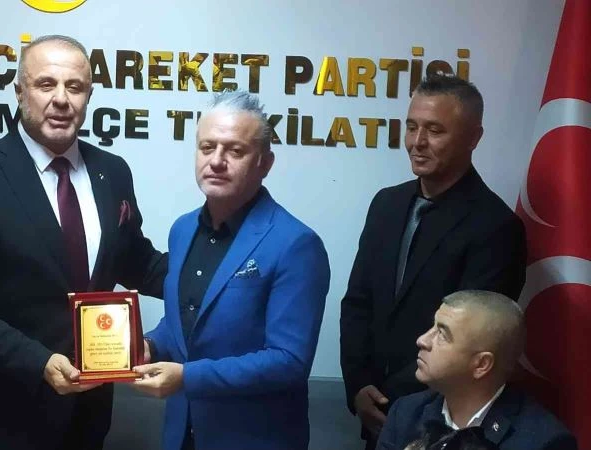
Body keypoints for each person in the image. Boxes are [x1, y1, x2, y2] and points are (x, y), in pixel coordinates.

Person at [0, 35, 167, 450]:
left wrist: (211, 276)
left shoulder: (112, 172)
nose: (61, 99)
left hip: (86, 418)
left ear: (89, 96)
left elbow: (135, 262)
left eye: (74, 87)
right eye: (45, 84)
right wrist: (38, 362)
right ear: (20, 92)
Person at [131, 90, 330, 450]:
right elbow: (185, 323)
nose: (216, 161)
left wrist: (188, 377)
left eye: (235, 151)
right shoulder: (182, 230)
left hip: (252, 439)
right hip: (181, 435)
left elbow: (288, 361)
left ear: (264, 163)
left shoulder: (296, 244)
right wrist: (150, 345)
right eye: (207, 147)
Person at [340, 73, 527, 449]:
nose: (417, 142)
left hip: (442, 422)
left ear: (473, 138)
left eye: (435, 130)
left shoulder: (496, 226)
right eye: (412, 127)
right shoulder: (386, 204)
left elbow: (471, 338)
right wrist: (359, 386)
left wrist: (395, 403)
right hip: (373, 412)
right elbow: (358, 302)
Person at [377, 290, 577, 450]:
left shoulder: (543, 441)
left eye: (442, 334)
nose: (422, 340)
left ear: (481, 364)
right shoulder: (405, 412)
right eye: (433, 327)